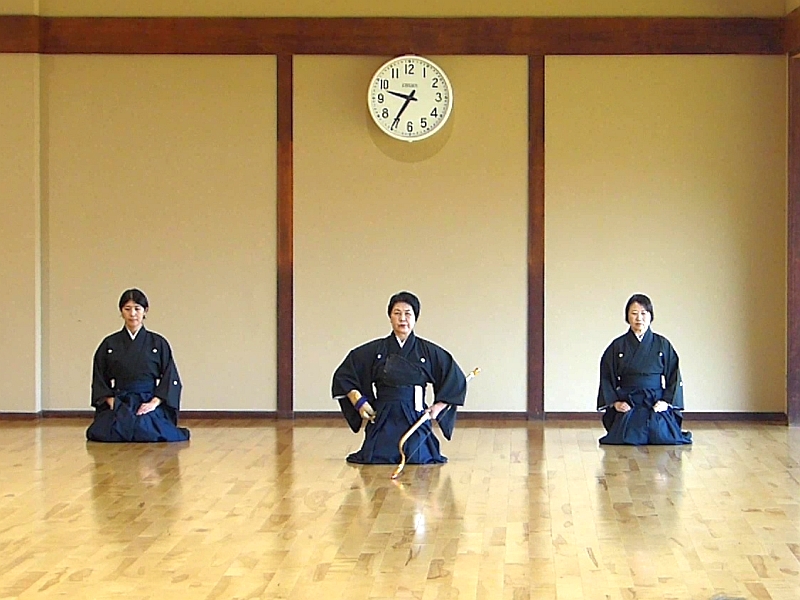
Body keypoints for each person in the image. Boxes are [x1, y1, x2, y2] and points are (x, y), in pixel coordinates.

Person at [332, 291, 467, 464]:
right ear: (390, 317)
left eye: (408, 313)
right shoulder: (376, 349)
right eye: (397, 313)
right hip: (384, 416)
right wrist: (359, 401)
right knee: (377, 457)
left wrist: (439, 406)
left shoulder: (428, 351)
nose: (402, 318)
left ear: (415, 318)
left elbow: (455, 379)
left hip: (415, 417)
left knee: (418, 457)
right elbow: (344, 375)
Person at [86, 288, 190, 443]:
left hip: (147, 399)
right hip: (120, 400)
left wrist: (154, 403)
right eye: (127, 309)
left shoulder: (158, 343)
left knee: (146, 428)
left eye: (137, 309)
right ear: (121, 312)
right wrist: (111, 401)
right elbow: (100, 377)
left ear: (145, 311)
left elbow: (170, 377)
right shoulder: (110, 343)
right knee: (108, 431)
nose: (132, 314)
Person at [596, 293, 692, 445]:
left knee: (663, 435)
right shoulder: (618, 345)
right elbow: (607, 376)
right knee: (626, 436)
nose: (639, 318)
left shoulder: (662, 344)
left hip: (655, 400)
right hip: (629, 400)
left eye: (643, 313)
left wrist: (665, 402)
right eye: (634, 313)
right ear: (627, 317)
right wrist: (616, 403)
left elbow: (674, 376)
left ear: (650, 316)